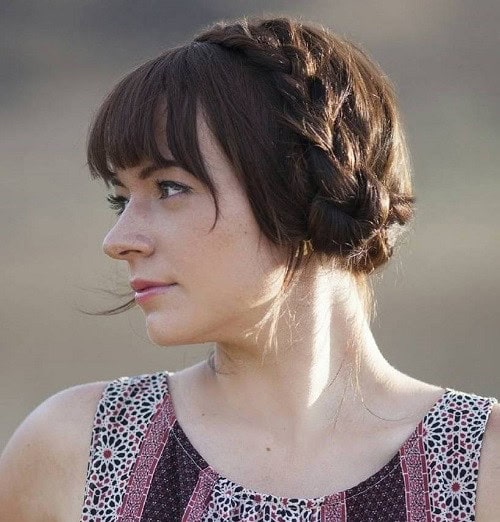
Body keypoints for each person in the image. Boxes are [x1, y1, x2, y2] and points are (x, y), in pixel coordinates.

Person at [0, 15, 498, 521]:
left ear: (300, 186)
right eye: (120, 200)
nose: (118, 241)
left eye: (170, 188)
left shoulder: (485, 468)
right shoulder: (78, 454)